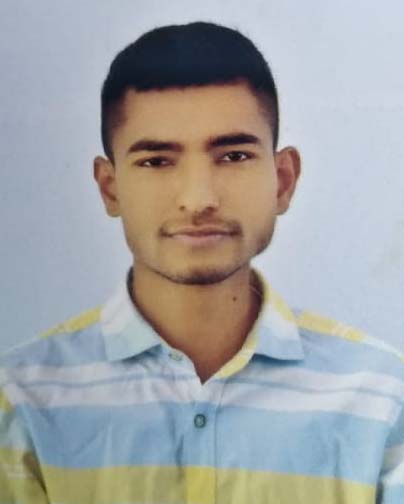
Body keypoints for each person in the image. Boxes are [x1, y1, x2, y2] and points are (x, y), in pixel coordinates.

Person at [0, 21, 403, 504]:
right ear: (110, 188)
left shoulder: (383, 398)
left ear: (282, 181)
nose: (198, 199)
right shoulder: (21, 401)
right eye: (156, 161)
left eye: (233, 156)